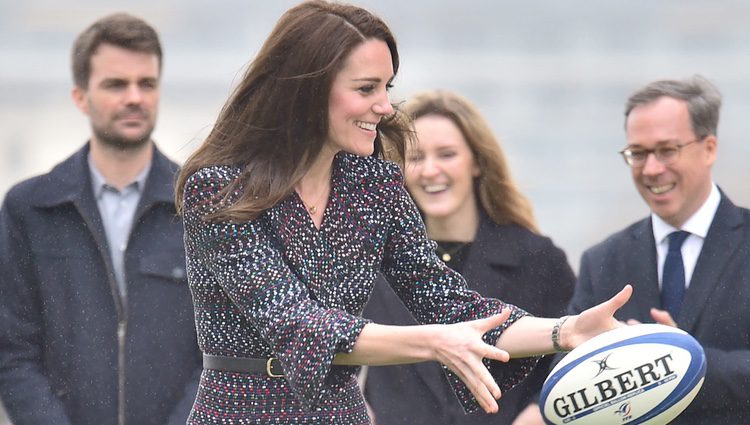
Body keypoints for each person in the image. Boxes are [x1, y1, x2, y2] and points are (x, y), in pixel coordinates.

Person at [174, 1, 632, 423]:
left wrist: (565, 331)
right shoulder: (218, 189)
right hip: (239, 411)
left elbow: (451, 305)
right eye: (366, 88)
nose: (384, 106)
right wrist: (433, 342)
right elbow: (296, 322)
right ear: (309, 91)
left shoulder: (376, 187)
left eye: (387, 87)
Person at [0, 13, 201, 425]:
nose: (135, 97)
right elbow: (13, 351)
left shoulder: (200, 207)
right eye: (115, 84)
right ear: (80, 96)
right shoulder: (30, 209)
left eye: (147, 83)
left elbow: (221, 351)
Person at [521, 75, 750, 425]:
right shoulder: (603, 260)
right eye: (638, 153)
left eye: (667, 150)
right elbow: (568, 384)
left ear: (709, 148)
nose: (652, 169)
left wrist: (680, 359)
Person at [361, 90, 576, 425]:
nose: (431, 170)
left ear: (477, 161)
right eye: (416, 158)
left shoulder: (540, 259)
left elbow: (565, 366)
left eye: (446, 155)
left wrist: (536, 417)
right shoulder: (372, 258)